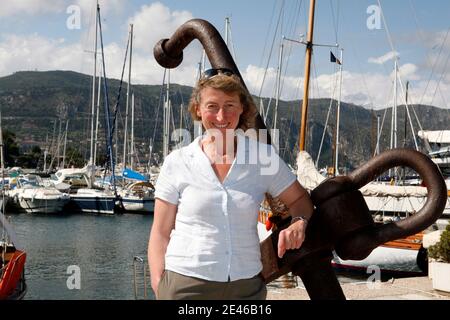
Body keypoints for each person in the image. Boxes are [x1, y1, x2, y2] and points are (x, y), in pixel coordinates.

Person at [148, 68, 314, 300]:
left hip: (245, 286)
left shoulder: (262, 158)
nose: (221, 116)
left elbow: (300, 201)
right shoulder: (177, 162)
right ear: (198, 109)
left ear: (242, 108)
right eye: (212, 106)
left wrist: (299, 222)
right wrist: (159, 284)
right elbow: (160, 232)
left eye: (229, 105)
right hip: (185, 283)